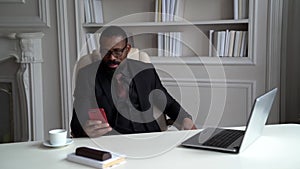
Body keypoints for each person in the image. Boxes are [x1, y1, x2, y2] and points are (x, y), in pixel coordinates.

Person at [71, 26, 196, 138]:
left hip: (149, 137)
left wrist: (185, 118)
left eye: (117, 51)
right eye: (105, 52)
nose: (111, 58)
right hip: (111, 140)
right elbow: (77, 122)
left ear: (127, 49)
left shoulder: (146, 71)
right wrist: (84, 130)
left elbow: (166, 102)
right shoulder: (87, 75)